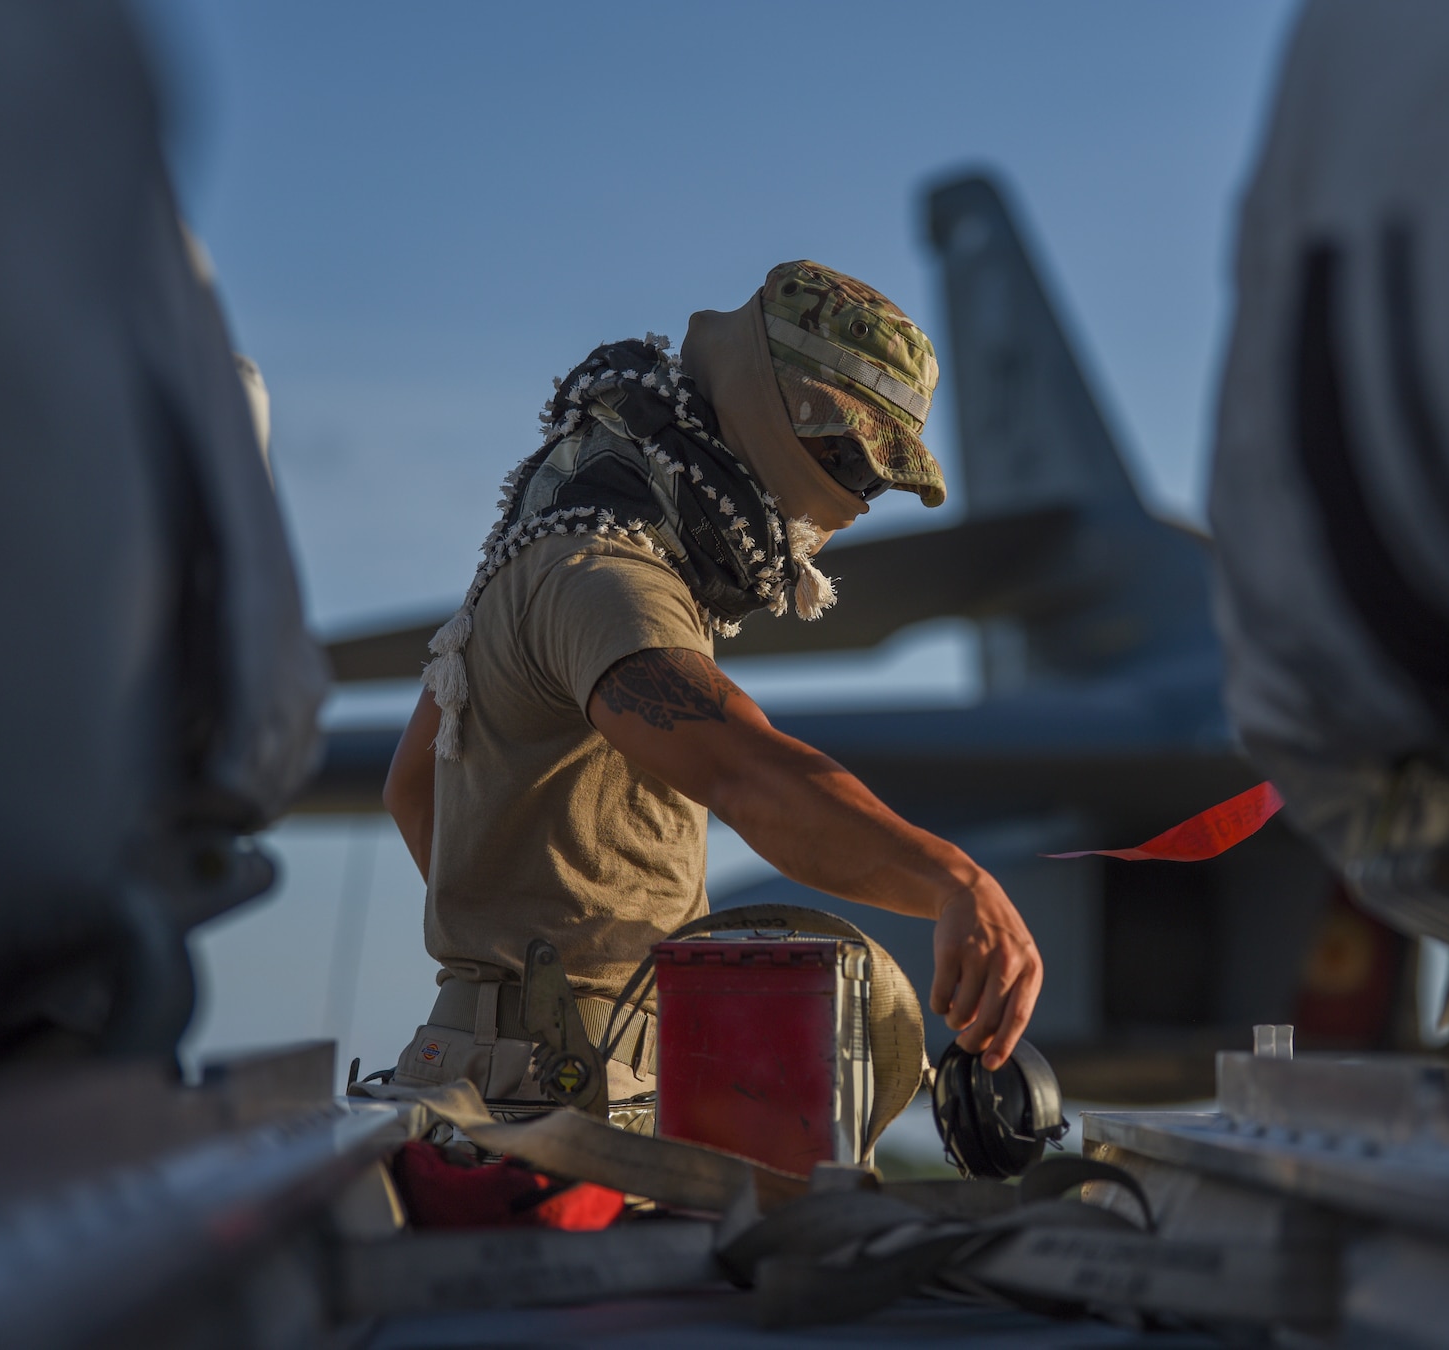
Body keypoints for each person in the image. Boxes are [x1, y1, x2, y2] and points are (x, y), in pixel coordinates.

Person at [381, 261, 1042, 1111]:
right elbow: (744, 774)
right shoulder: (605, 579)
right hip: (558, 1091)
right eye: (850, 460)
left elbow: (411, 789)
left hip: (517, 1067)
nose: (856, 502)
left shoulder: (551, 537)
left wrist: (508, 957)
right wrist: (957, 881)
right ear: (774, 407)